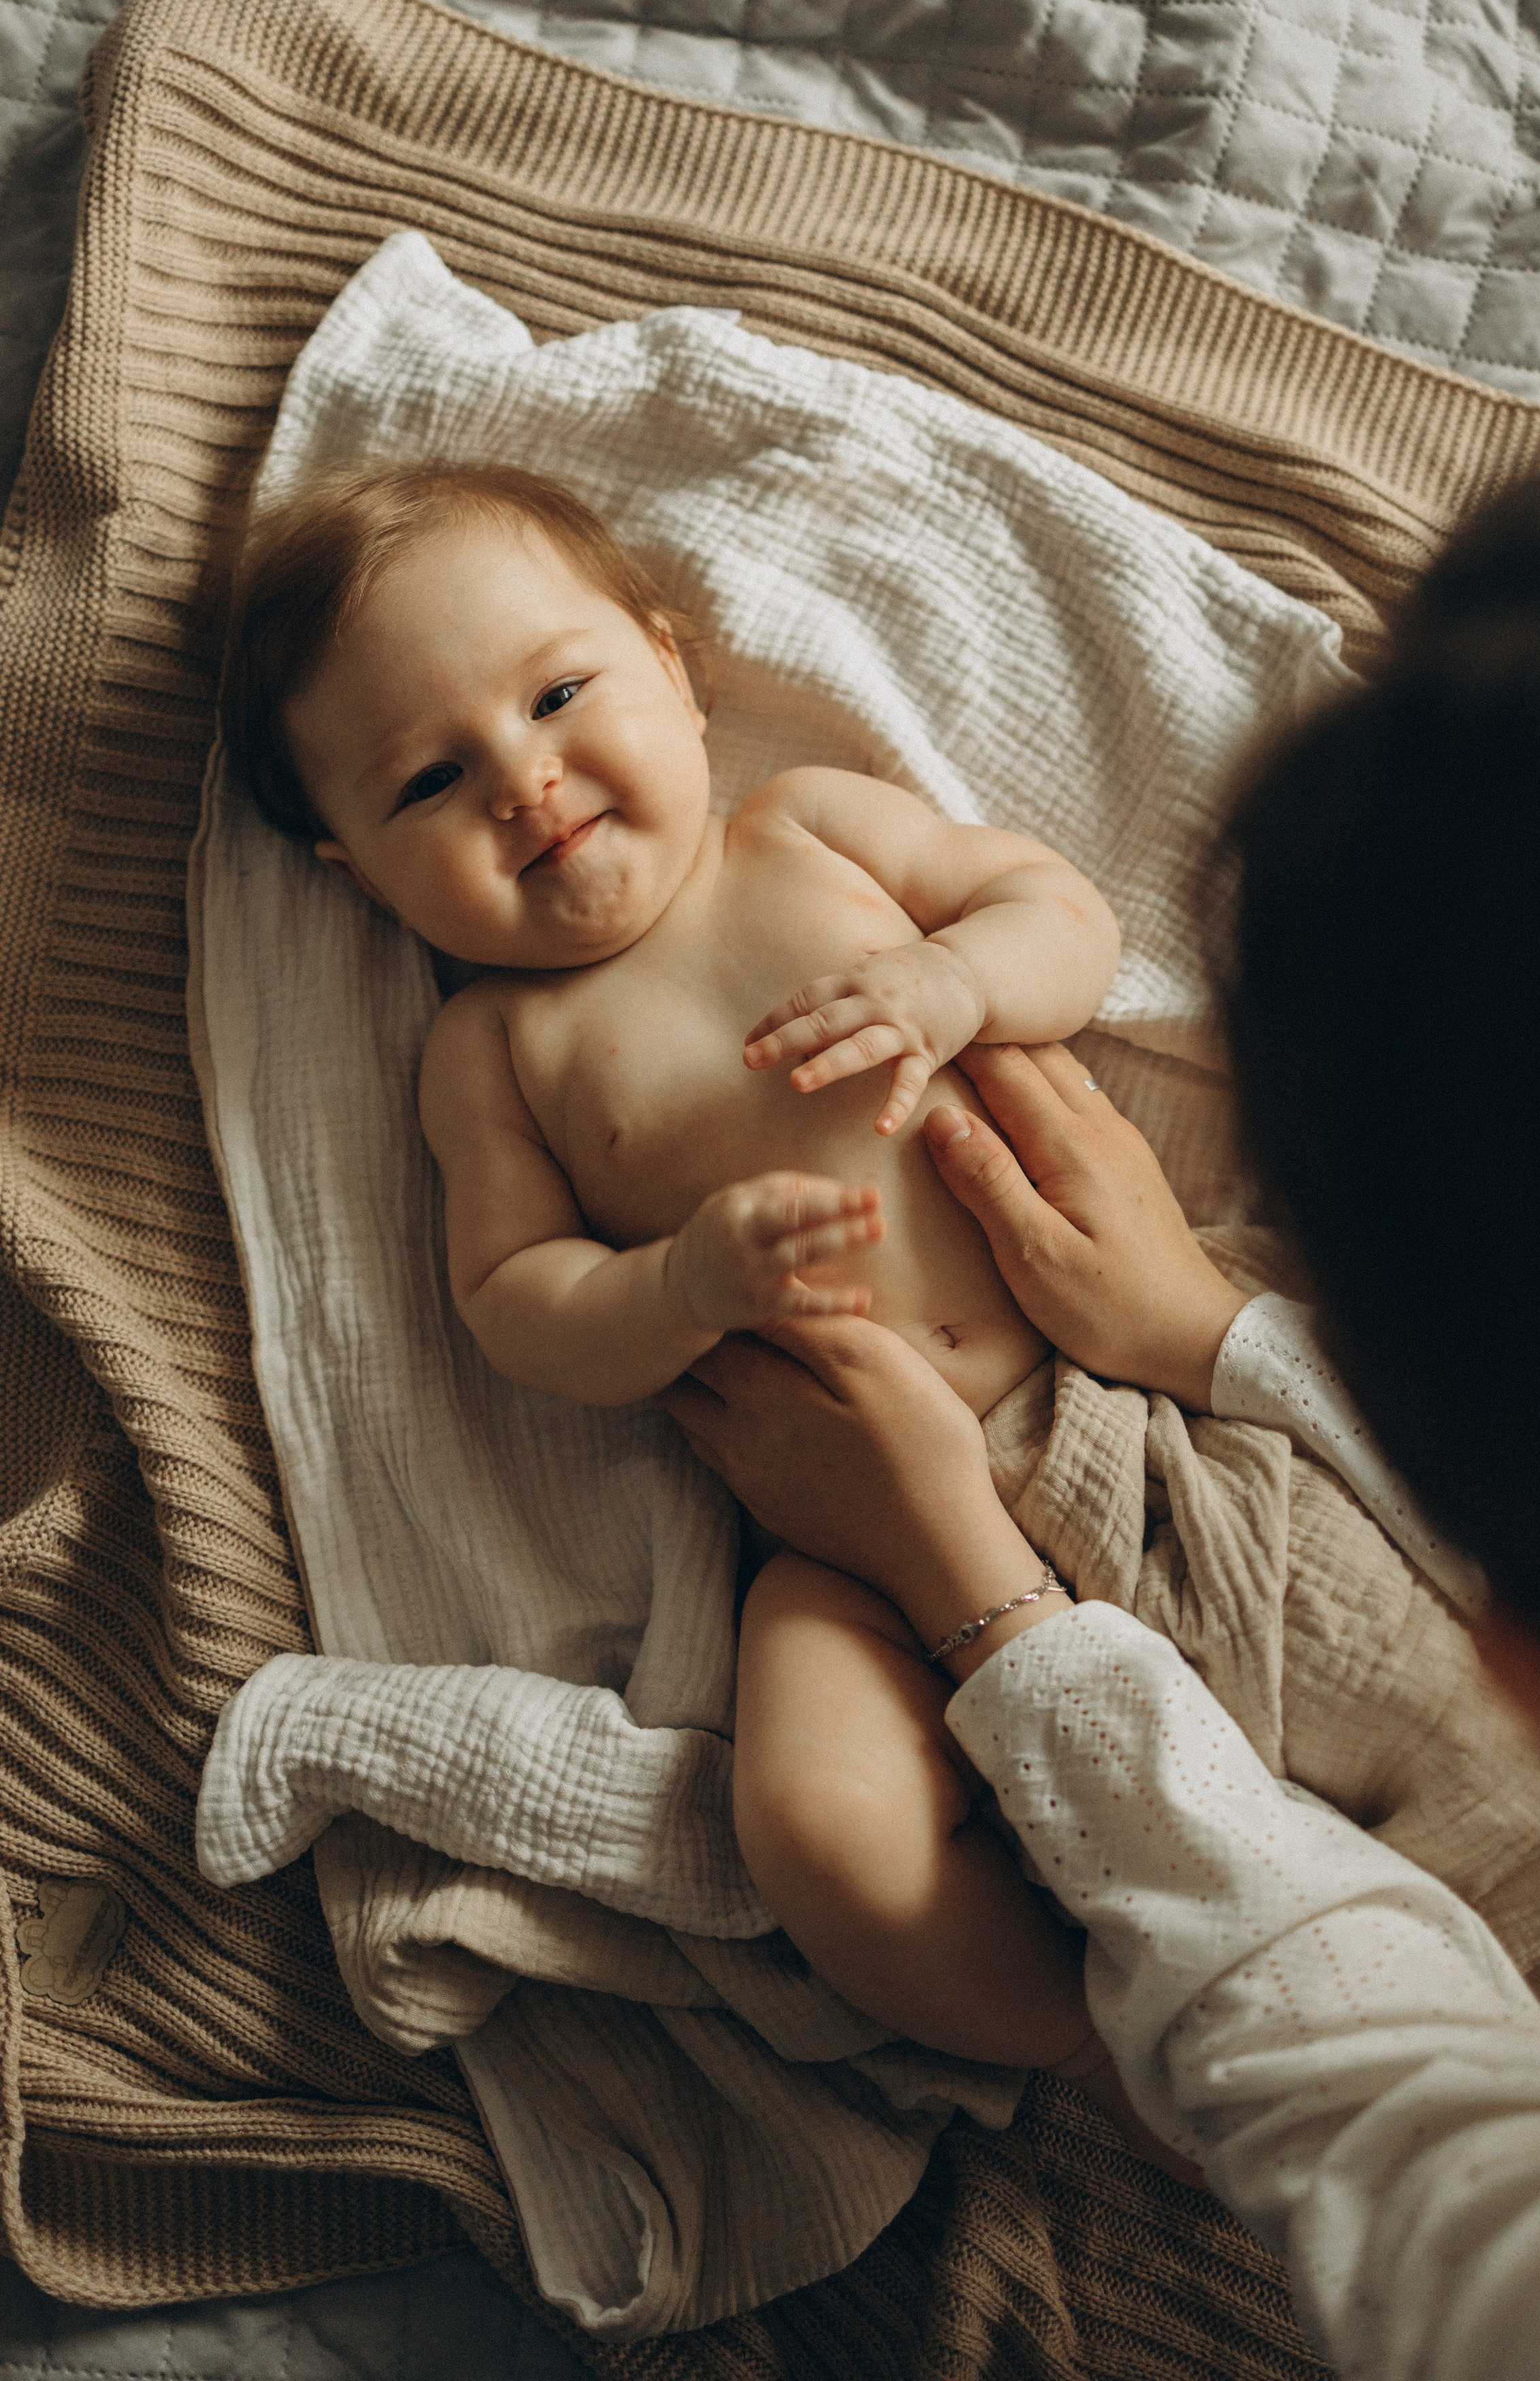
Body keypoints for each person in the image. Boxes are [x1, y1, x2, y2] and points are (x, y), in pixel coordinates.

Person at [663, 434, 1540, 2380]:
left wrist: (972, 1575)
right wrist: (1206, 1331)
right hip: (1013, 1451)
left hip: (976, 1512)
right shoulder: (494, 1055)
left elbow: (1425, 2175)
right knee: (828, 1828)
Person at [222, 457, 1198, 2118]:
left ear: (671, 668)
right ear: (350, 874)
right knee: (814, 1830)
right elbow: (517, 1302)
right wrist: (678, 1282)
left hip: (1115, 1377)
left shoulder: (808, 828)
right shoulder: (497, 1049)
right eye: (431, 780)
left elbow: (1060, 911)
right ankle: (1095, 2057)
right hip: (839, 1549)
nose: (524, 782)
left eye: (556, 694)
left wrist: (953, 979)